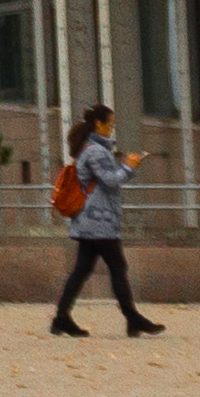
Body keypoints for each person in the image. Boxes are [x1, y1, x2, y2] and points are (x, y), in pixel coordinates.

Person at [52, 104, 158, 336]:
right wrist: (129, 167)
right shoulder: (96, 152)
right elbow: (110, 180)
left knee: (83, 269)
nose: (112, 129)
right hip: (99, 220)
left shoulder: (89, 149)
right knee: (117, 267)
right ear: (98, 124)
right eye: (110, 124)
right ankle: (133, 318)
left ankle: (61, 318)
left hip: (90, 220)